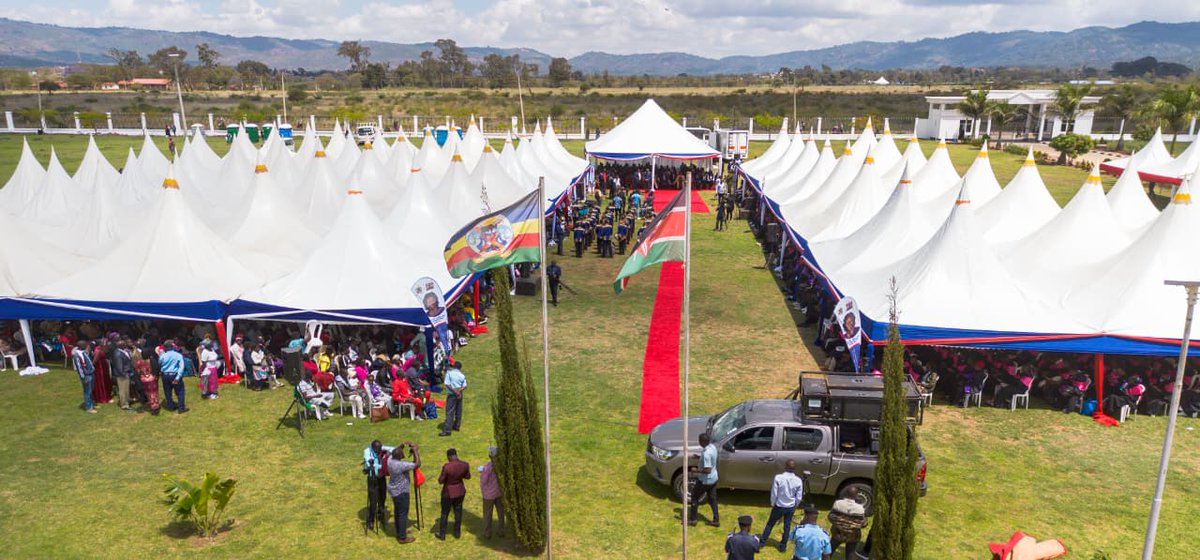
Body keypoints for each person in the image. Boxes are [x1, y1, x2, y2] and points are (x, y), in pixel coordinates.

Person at [760, 459, 805, 551]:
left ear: (785, 467)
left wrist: (773, 504)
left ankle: (762, 542)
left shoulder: (778, 478)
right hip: (790, 506)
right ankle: (783, 546)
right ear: (794, 469)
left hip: (779, 505)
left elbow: (774, 493)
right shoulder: (798, 480)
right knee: (787, 526)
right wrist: (795, 506)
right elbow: (799, 497)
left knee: (770, 524)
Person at [387, 441, 421, 544]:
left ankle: (400, 531)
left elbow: (393, 452)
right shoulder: (401, 465)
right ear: (399, 456)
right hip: (402, 492)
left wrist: (400, 445)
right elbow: (417, 464)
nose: (403, 453)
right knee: (402, 514)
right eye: (402, 453)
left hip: (393, 490)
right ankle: (402, 537)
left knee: (398, 512)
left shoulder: (390, 460)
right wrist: (415, 451)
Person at [435, 448, 471, 540]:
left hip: (448, 493)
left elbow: (441, 481)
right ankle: (457, 533)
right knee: (458, 512)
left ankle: (442, 534)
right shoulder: (465, 465)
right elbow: (468, 476)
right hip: (460, 491)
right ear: (456, 455)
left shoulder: (447, 467)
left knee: (444, 513)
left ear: (449, 457)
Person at [687, 432, 720, 527]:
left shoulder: (706, 454)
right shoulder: (712, 447)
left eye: (699, 440)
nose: (698, 442)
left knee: (694, 496)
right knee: (713, 499)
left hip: (705, 480)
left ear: (702, 442)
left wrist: (696, 470)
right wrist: (699, 458)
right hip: (714, 478)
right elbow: (710, 460)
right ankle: (716, 520)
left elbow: (707, 470)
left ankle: (693, 519)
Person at [828, 487, 868, 559]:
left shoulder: (838, 503)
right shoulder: (860, 508)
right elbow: (864, 524)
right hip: (853, 536)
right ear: (856, 495)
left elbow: (830, 517)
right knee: (850, 553)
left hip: (837, 533)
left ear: (846, 493)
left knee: (829, 552)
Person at [363, 439, 393, 531]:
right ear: (373, 447)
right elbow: (370, 465)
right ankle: (371, 520)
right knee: (373, 500)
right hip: (372, 478)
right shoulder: (367, 452)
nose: (379, 451)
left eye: (380, 448)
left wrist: (389, 453)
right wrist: (384, 465)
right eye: (377, 449)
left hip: (382, 477)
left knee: (382, 497)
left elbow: (394, 449)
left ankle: (381, 514)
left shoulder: (381, 448)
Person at [479, 446, 505, 538]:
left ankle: (487, 533)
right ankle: (501, 530)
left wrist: (481, 473)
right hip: (499, 492)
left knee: (487, 514)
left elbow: (484, 481)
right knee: (501, 513)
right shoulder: (502, 465)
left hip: (489, 495)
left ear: (489, 456)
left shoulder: (487, 467)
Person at [158, 342, 187, 413]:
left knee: (167, 391)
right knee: (180, 391)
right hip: (174, 375)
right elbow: (181, 366)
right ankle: (181, 408)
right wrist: (178, 377)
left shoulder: (162, 356)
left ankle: (170, 406)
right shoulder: (178, 355)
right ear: (172, 347)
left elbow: (159, 363)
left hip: (165, 375)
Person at [439, 361, 467, 436]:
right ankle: (457, 426)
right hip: (459, 394)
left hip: (452, 394)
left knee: (449, 411)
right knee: (458, 410)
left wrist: (455, 391)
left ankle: (447, 430)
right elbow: (464, 386)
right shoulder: (462, 375)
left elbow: (447, 384)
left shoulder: (449, 373)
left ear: (454, 366)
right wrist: (458, 391)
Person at [71, 341, 97, 414]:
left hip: (91, 373)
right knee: (87, 391)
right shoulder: (77, 355)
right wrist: (83, 377)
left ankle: (92, 403)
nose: (86, 345)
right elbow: (79, 368)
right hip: (86, 375)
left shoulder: (85, 352)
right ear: (81, 346)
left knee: (91, 390)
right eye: (85, 345)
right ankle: (88, 407)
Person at [133, 347, 160, 415]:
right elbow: (157, 369)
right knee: (154, 393)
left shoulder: (138, 362)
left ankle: (152, 404)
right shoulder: (152, 360)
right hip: (152, 379)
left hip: (144, 380)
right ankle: (155, 407)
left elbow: (137, 372)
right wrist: (156, 376)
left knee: (148, 393)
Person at [110, 339, 134, 410]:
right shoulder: (118, 354)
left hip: (126, 373)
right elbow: (119, 366)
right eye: (124, 344)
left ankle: (127, 400)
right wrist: (124, 374)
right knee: (123, 390)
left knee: (126, 389)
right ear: (121, 345)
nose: (126, 345)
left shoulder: (122, 351)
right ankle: (124, 405)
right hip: (122, 375)